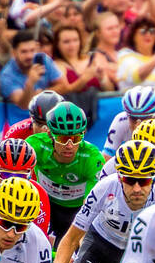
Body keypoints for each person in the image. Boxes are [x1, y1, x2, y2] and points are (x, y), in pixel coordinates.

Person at [25, 102, 106, 244]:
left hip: (76, 210)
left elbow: (90, 207)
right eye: (62, 139)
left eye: (76, 139)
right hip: (45, 204)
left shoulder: (92, 159)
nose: (69, 145)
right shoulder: (35, 145)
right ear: (50, 133)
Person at [0, 29, 65, 109]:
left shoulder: (43, 59)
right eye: (24, 52)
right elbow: (23, 105)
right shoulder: (7, 75)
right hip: (20, 118)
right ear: (13, 53)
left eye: (32, 50)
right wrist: (30, 83)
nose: (29, 56)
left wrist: (43, 94)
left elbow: (63, 85)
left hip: (47, 115)